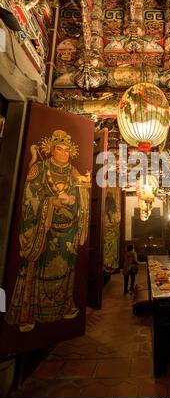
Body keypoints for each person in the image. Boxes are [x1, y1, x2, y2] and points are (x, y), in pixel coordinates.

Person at [5, 130, 91, 332]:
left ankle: (64, 306)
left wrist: (76, 198)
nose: (63, 153)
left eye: (67, 150)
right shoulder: (39, 169)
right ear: (51, 149)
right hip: (43, 232)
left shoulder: (74, 172)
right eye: (59, 149)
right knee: (35, 270)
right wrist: (50, 201)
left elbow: (83, 198)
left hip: (67, 231)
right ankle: (28, 313)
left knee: (66, 271)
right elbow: (29, 200)